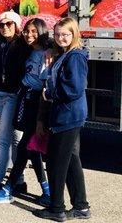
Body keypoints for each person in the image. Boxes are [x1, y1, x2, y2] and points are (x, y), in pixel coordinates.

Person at [0, 18, 51, 206]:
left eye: (34, 32)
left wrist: (52, 47)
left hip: (38, 101)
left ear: (42, 32)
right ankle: (46, 190)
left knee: (24, 146)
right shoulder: (28, 48)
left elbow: (46, 82)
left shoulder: (46, 52)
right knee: (32, 147)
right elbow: (1, 38)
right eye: (27, 31)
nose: (30, 35)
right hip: (26, 99)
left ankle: (8, 188)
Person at [34, 17, 90, 222]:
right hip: (68, 115)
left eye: (65, 34)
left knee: (57, 162)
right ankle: (81, 206)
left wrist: (50, 94)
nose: (60, 38)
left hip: (68, 115)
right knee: (71, 160)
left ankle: (56, 207)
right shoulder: (65, 54)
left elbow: (74, 88)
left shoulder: (75, 57)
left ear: (74, 34)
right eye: (57, 34)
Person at [0, 10, 27, 196]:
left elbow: (43, 44)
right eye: (1, 24)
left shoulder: (23, 45)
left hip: (12, 96)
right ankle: (19, 180)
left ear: (17, 26)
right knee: (14, 138)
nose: (5, 27)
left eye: (9, 24)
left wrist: (50, 48)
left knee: (4, 139)